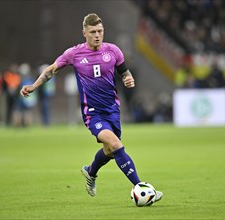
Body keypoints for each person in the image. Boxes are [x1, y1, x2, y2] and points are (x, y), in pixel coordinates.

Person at [20, 13, 163, 203]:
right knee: (116, 145)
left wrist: (128, 79)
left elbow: (125, 72)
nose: (97, 35)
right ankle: (142, 188)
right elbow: (50, 70)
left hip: (112, 110)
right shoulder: (74, 53)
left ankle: (90, 172)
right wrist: (34, 86)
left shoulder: (113, 51)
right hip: (92, 113)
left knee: (110, 151)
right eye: (93, 31)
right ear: (84, 33)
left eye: (100, 31)